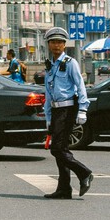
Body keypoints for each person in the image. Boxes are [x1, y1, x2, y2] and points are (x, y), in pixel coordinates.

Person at [42, 27, 93, 199]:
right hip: (56, 110)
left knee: (57, 149)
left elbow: (80, 86)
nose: (56, 45)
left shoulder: (70, 63)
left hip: (68, 109)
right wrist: (48, 117)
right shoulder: (50, 66)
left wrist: (83, 110)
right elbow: (48, 94)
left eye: (60, 42)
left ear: (64, 45)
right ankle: (64, 189)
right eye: (53, 42)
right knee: (60, 149)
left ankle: (84, 172)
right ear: (48, 44)